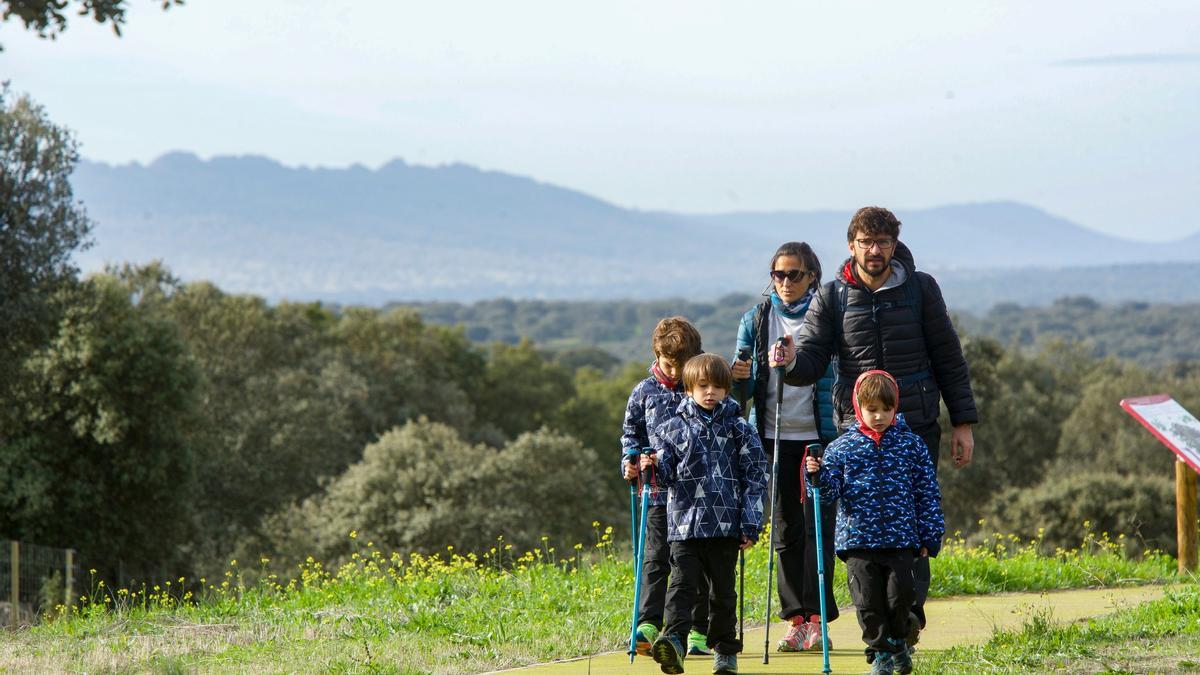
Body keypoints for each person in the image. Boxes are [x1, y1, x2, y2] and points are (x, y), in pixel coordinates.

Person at [776, 206, 976, 636]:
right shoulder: (833, 296)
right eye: (866, 242)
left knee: (915, 519)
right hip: (856, 432)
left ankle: (908, 617)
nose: (874, 250)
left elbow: (948, 357)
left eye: (882, 242)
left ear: (894, 245)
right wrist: (791, 361)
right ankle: (877, 624)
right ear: (852, 246)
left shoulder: (921, 289)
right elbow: (810, 358)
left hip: (917, 425)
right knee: (863, 528)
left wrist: (963, 422)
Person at [730, 241, 840, 652]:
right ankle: (796, 619)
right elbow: (741, 389)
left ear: (813, 275)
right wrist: (739, 376)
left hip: (818, 437)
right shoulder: (756, 318)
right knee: (785, 532)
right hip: (771, 437)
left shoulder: (826, 316)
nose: (786, 282)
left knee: (817, 528)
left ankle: (817, 618)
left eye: (795, 274)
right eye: (779, 274)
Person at [805, 370, 944, 675]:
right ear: (858, 407)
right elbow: (828, 492)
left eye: (887, 409)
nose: (879, 416)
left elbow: (928, 493)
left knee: (900, 598)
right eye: (872, 410)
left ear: (896, 408)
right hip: (858, 541)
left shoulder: (912, 446)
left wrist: (929, 536)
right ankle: (881, 654)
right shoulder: (842, 448)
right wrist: (814, 475)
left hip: (901, 539)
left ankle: (899, 641)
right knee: (868, 603)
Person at [642, 354, 768, 675]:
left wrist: (750, 523)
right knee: (681, 587)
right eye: (702, 386)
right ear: (689, 389)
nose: (709, 392)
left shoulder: (740, 428)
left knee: (723, 592)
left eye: (717, 386)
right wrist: (653, 465)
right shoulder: (671, 429)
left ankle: (725, 650)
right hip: (684, 525)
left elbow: (755, 476)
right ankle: (675, 643)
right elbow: (667, 476)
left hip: (726, 526)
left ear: (726, 389)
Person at [621, 317, 713, 656]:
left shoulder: (702, 389)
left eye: (681, 365)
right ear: (657, 356)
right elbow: (631, 434)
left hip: (697, 498)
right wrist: (629, 460)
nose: (674, 372)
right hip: (657, 493)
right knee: (655, 557)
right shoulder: (643, 392)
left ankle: (696, 631)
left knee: (691, 563)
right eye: (667, 364)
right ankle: (647, 625)